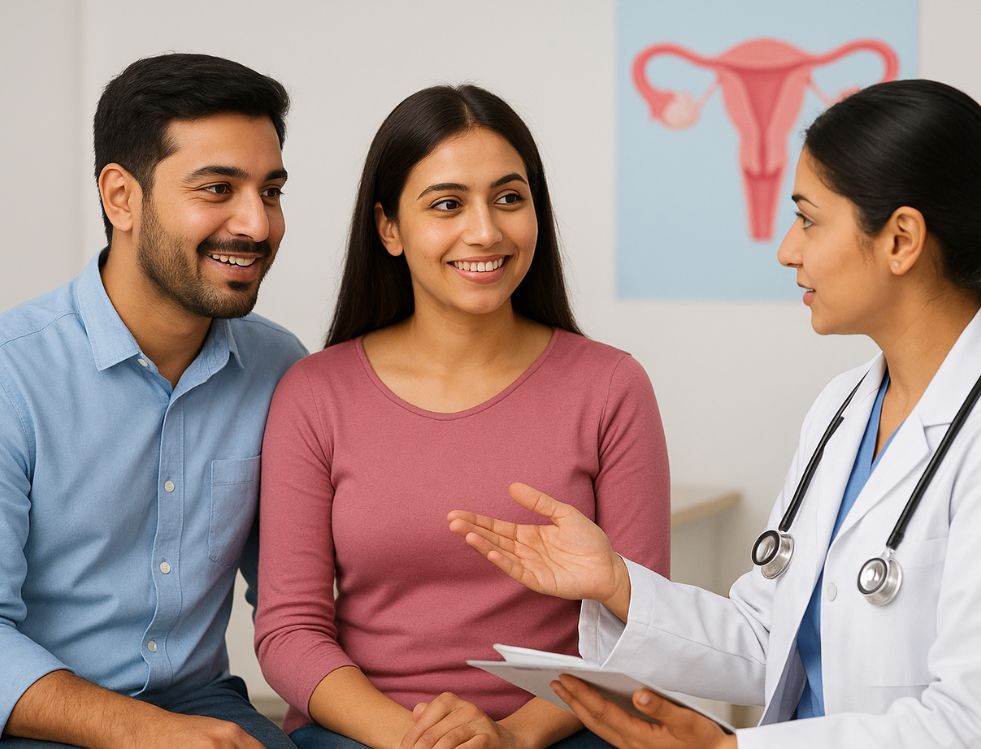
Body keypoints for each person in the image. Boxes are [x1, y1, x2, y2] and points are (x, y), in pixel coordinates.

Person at [447, 79, 981, 749]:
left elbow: (966, 721)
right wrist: (616, 582)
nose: (786, 249)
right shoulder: (841, 409)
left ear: (899, 239)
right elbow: (767, 640)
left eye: (808, 219)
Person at [254, 84, 671, 749]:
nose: (485, 230)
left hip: (563, 729)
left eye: (509, 198)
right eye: (447, 204)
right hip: (366, 734)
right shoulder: (314, 393)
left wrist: (509, 737)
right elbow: (289, 629)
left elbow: (640, 620)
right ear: (389, 227)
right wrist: (412, 739)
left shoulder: (610, 385)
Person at [0, 54, 306, 748]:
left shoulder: (282, 367)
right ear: (121, 197)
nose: (256, 224)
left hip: (204, 706)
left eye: (272, 190)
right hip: (34, 715)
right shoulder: (12, 373)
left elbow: (302, 597)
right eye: (217, 188)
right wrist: (143, 731)